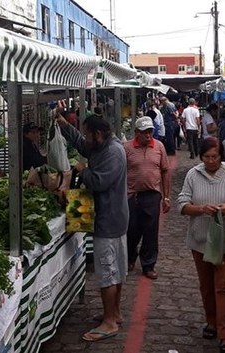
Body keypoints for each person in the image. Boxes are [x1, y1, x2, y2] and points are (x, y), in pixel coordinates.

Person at [56, 109, 129, 342]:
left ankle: (109, 322)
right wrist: (64, 126)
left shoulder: (113, 152)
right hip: (112, 217)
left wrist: (83, 171)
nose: (85, 138)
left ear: (98, 133)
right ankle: (114, 313)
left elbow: (99, 181)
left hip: (109, 219)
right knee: (115, 268)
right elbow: (82, 145)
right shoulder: (101, 146)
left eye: (88, 134)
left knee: (108, 271)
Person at [177, 137, 225, 353]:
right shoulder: (193, 175)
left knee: (223, 285)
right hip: (200, 241)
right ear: (201, 157)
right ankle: (211, 321)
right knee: (206, 285)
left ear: (221, 156)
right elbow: (182, 204)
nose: (211, 161)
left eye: (215, 157)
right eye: (207, 157)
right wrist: (201, 209)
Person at [124, 117, 171, 280]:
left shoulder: (159, 146)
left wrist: (166, 197)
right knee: (131, 229)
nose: (148, 135)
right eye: (144, 132)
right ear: (136, 132)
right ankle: (130, 257)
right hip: (132, 195)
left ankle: (148, 264)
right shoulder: (127, 148)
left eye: (150, 132)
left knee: (151, 232)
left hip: (152, 194)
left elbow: (165, 171)